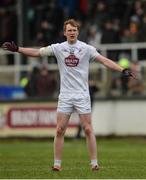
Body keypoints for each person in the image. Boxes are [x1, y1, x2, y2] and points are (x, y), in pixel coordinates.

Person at [1, 19, 136, 171]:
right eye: (69, 30)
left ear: (78, 32)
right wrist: (18, 49)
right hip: (65, 95)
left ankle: (94, 163)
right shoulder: (58, 48)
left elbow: (104, 61)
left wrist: (122, 70)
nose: (72, 33)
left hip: (82, 95)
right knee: (60, 129)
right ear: (64, 33)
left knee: (88, 129)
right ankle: (57, 164)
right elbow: (37, 52)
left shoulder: (86, 49)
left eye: (74, 30)